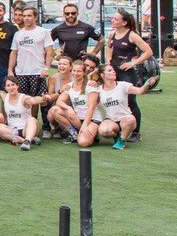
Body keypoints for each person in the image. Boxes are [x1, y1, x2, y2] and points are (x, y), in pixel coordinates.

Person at [106, 9, 153, 142]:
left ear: (124, 22)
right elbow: (108, 47)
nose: (112, 21)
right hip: (114, 72)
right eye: (113, 18)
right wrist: (108, 61)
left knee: (130, 101)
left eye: (116, 19)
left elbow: (148, 52)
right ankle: (119, 128)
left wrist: (133, 63)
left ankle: (135, 133)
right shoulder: (112, 33)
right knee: (114, 99)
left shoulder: (132, 35)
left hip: (127, 74)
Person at [8, 7, 54, 132]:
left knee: (42, 100)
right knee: (25, 100)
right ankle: (26, 126)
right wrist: (10, 69)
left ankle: (46, 128)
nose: (26, 18)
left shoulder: (43, 32)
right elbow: (14, 53)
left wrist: (46, 68)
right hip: (21, 73)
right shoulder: (18, 34)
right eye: (24, 16)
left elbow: (50, 52)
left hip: (38, 72)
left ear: (35, 17)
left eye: (29, 16)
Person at [98, 64, 158, 150]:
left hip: (125, 119)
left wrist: (147, 84)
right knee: (103, 131)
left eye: (113, 70)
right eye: (109, 70)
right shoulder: (99, 89)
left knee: (130, 120)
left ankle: (121, 141)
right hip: (111, 120)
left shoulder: (123, 85)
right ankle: (116, 136)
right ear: (102, 75)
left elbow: (140, 91)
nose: (113, 71)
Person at [50, 60, 102, 147]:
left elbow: (91, 108)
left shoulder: (90, 85)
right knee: (54, 110)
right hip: (78, 119)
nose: (76, 73)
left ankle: (93, 134)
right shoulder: (70, 85)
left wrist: (84, 126)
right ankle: (74, 134)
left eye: (79, 71)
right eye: (74, 71)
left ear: (84, 73)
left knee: (83, 143)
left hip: (92, 119)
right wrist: (69, 108)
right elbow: (59, 101)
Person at [0, 76, 50, 151]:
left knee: (32, 119)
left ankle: (27, 141)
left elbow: (33, 100)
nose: (11, 87)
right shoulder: (4, 96)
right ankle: (25, 141)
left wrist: (42, 99)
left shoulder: (24, 98)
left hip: (27, 129)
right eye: (8, 85)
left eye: (13, 85)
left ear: (17, 85)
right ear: (5, 88)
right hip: (13, 131)